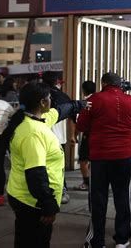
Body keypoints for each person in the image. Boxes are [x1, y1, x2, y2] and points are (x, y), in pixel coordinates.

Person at [5, 82, 84, 247]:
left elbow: (59, 112)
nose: (51, 101)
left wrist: (79, 105)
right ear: (42, 102)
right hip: (31, 201)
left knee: (28, 239)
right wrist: (47, 204)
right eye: (49, 98)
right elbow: (36, 174)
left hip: (25, 195)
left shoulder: (36, 119)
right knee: (35, 242)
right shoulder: (33, 133)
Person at [77, 73, 131, 248]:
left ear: (103, 83)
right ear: (120, 84)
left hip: (100, 157)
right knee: (122, 196)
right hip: (124, 156)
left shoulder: (94, 100)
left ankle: (97, 241)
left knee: (98, 199)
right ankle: (122, 239)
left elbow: (81, 125)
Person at [42, 71, 75, 204]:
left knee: (42, 166)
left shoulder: (38, 95)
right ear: (57, 82)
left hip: (41, 136)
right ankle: (62, 191)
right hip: (58, 138)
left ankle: (45, 191)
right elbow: (72, 117)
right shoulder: (64, 97)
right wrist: (72, 135)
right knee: (58, 167)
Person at [76, 81, 96, 191]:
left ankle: (86, 182)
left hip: (88, 134)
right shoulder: (100, 99)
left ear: (83, 90)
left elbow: (81, 122)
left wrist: (75, 134)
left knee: (84, 158)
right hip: (100, 134)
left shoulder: (87, 102)